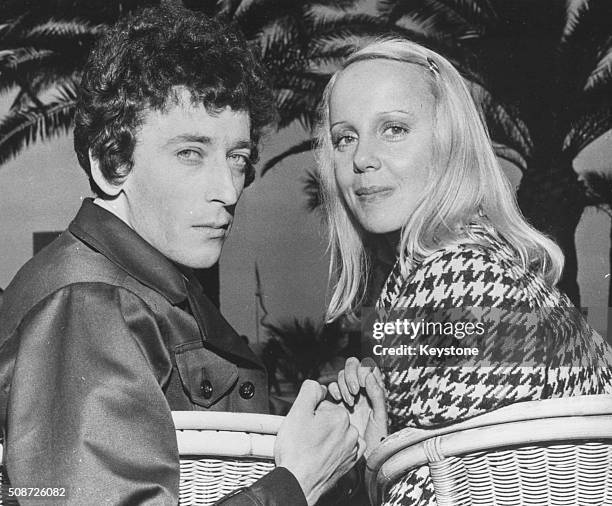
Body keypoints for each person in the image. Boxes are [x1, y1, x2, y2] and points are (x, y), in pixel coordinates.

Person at [0, 6, 362, 505]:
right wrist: (293, 486)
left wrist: (338, 441)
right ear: (112, 163)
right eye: (191, 153)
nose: (228, 191)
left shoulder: (150, 292)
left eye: (237, 159)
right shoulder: (88, 302)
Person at [317, 38, 612, 504]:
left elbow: (429, 491)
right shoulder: (439, 271)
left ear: (448, 144)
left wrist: (374, 456)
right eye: (345, 137)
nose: (361, 159)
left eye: (393, 128)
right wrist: (382, 427)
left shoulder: (463, 274)